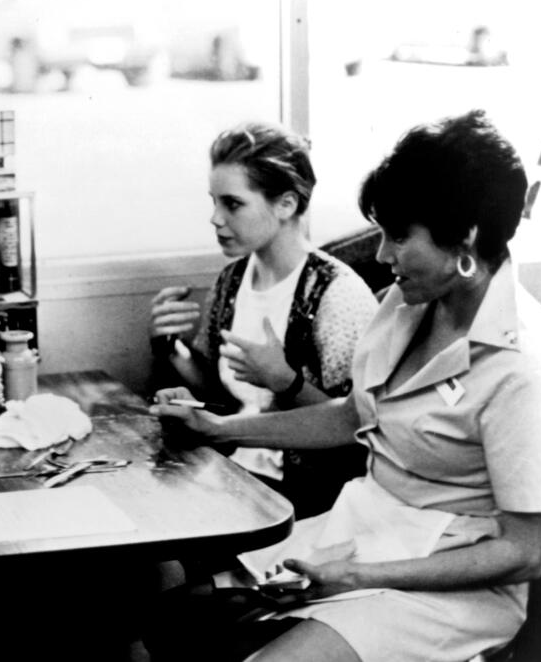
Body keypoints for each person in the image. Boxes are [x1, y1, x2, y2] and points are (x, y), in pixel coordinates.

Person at [146, 110, 541, 662]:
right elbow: (354, 415)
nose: (382, 257)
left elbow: (523, 554)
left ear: (464, 236)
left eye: (399, 237)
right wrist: (224, 428)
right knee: (161, 624)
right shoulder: (407, 301)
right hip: (364, 536)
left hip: (448, 589)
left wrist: (357, 576)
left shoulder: (525, 362)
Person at [151, 121, 378, 518]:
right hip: (231, 470)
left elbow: (358, 431)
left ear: (286, 204)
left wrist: (285, 382)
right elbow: (223, 395)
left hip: (301, 498)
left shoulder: (337, 294)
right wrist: (171, 348)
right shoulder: (234, 278)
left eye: (232, 204)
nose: (215, 219)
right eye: (214, 202)